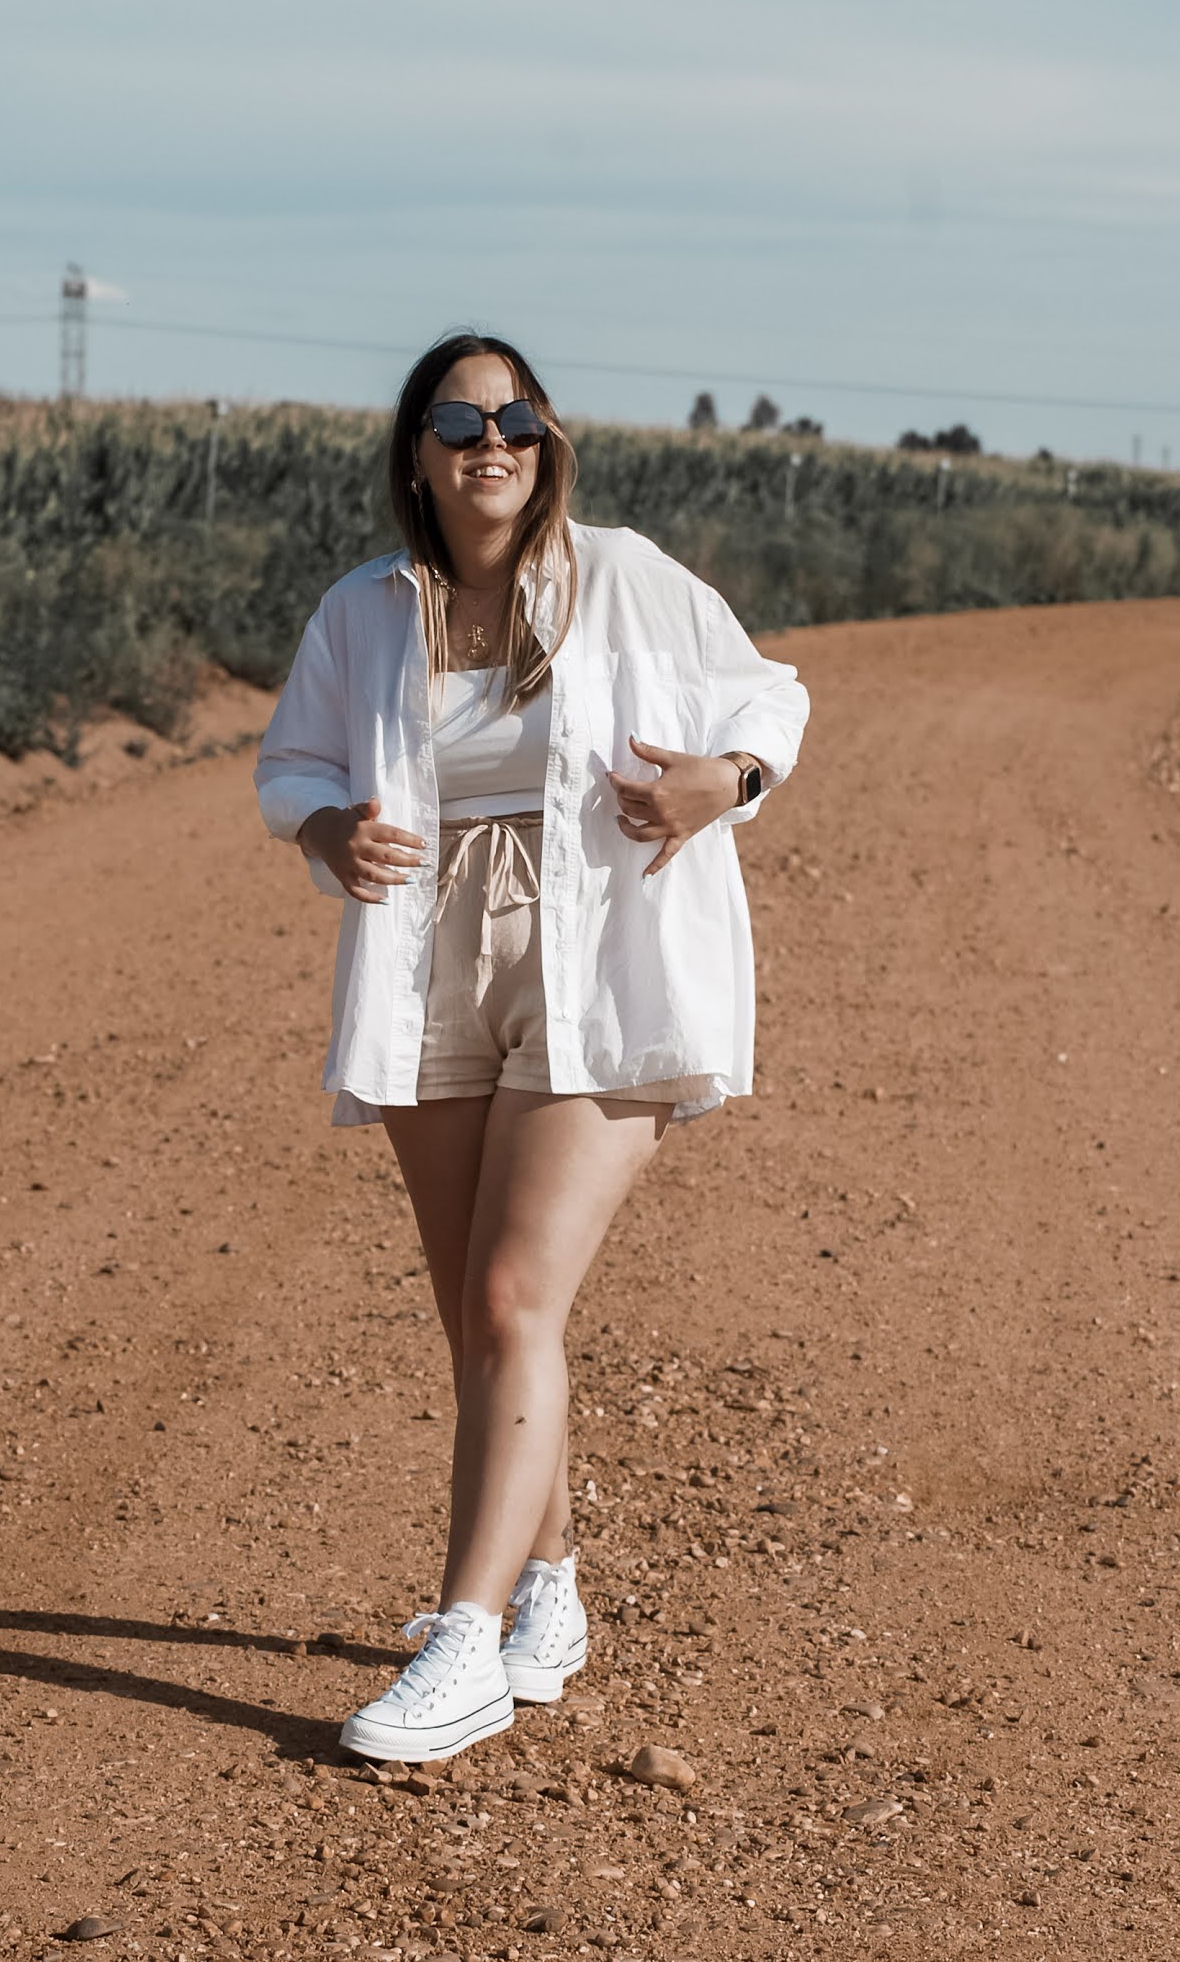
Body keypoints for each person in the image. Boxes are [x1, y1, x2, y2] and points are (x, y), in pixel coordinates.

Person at [253, 331, 809, 1765]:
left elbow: (770, 693)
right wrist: (327, 826)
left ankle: (466, 1638)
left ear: (546, 442)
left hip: (600, 954)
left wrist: (722, 784)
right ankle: (549, 1587)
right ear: (418, 456)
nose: (487, 442)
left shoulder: (622, 576)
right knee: (481, 1317)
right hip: (426, 953)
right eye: (456, 421)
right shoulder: (366, 613)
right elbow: (292, 764)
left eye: (514, 419)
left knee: (512, 1291)